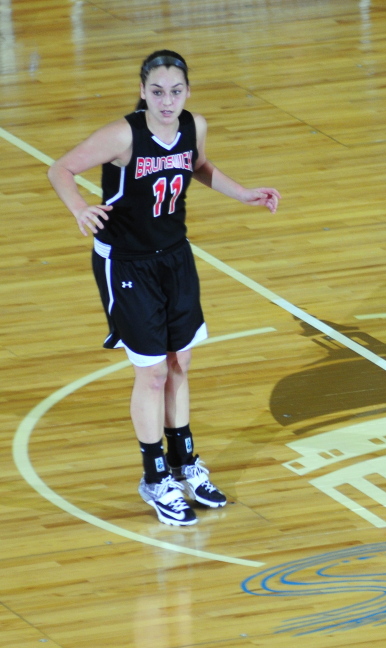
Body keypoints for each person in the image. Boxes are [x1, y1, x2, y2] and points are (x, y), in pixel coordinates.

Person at [47, 50, 281, 524]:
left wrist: (243, 193)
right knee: (152, 372)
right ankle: (155, 477)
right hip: (128, 263)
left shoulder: (195, 125)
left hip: (175, 255)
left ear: (187, 93)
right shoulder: (123, 135)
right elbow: (60, 169)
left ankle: (185, 462)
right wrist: (79, 209)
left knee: (181, 361)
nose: (167, 101)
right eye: (157, 91)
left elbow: (195, 165)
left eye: (176, 91)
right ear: (143, 92)